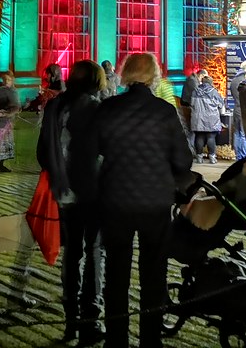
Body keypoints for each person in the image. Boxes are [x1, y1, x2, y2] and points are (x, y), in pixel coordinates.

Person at [81, 52, 192, 348]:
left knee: (117, 271)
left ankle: (116, 339)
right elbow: (183, 160)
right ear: (153, 75)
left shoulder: (108, 108)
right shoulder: (164, 112)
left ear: (126, 74)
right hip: (155, 201)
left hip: (115, 200)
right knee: (153, 273)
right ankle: (150, 339)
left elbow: (89, 153)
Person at [37, 59, 105, 344]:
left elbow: (43, 151)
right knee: (94, 252)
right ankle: (91, 319)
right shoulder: (98, 108)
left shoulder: (55, 106)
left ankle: (71, 321)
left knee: (73, 252)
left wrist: (57, 174)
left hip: (65, 191)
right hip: (94, 190)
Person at [0, 72, 20, 173]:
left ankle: (1, 165)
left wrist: (10, 112)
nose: (6, 82)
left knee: (4, 144)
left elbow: (15, 105)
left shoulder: (12, 91)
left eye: (8, 80)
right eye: (5, 80)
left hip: (6, 120)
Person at [190, 73, 224, 164]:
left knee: (199, 137)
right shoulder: (214, 92)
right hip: (211, 119)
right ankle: (212, 157)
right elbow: (220, 105)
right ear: (211, 83)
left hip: (198, 119)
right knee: (210, 137)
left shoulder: (195, 91)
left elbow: (192, 104)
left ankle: (199, 158)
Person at [228, 60, 246, 160]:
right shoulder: (245, 81)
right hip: (244, 110)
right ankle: (243, 157)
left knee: (237, 134)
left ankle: (238, 157)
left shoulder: (234, 80)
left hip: (236, 109)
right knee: (244, 135)